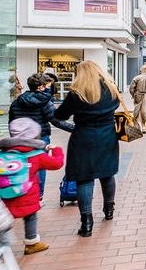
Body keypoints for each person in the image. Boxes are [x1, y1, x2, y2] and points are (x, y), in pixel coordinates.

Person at [53, 60, 122, 237]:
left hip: (83, 137)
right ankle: (109, 209)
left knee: (84, 179)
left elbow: (60, 115)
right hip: (107, 136)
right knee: (107, 174)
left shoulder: (76, 94)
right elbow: (116, 107)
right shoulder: (111, 89)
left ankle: (87, 223)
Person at [0, 118, 65, 254]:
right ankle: (31, 243)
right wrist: (57, 151)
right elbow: (56, 164)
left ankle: (4, 247)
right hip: (27, 197)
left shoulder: (3, 154)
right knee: (30, 217)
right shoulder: (36, 155)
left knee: (5, 220)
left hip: (5, 196)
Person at [8, 73, 74, 200]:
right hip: (40, 138)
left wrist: (14, 138)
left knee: (22, 164)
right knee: (40, 165)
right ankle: (39, 195)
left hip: (20, 140)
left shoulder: (17, 102)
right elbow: (57, 121)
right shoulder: (44, 102)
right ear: (42, 86)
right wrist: (75, 129)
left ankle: (22, 191)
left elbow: (12, 122)